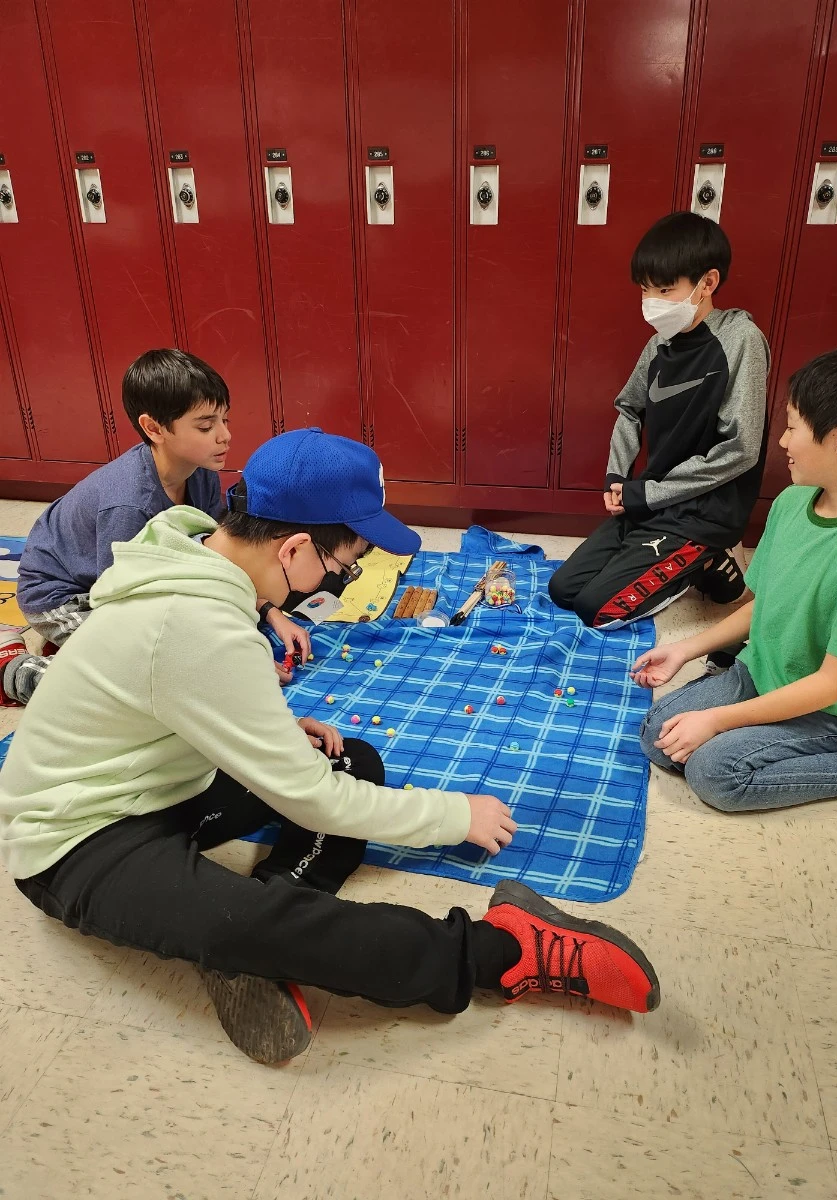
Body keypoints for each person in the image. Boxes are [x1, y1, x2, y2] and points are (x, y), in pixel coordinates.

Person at [0, 428, 660, 1065]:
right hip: (74, 839)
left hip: (162, 780)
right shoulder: (195, 623)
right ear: (293, 550)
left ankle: (266, 932)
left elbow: (165, 692)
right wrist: (453, 814)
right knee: (250, 918)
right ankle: (504, 950)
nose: (337, 584)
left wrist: (273, 730)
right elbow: (312, 798)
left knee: (349, 760)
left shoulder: (200, 558)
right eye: (342, 568)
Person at [633, 344, 837, 811]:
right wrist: (684, 648)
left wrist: (717, 720)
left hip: (830, 710)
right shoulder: (792, 503)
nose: (782, 442)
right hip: (760, 672)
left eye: (793, 427)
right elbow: (765, 605)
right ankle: (735, 718)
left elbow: (831, 685)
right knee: (659, 737)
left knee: (714, 774)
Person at [0, 348, 306, 707]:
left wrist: (269, 612)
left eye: (225, 420)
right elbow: (127, 610)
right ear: (154, 428)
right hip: (63, 596)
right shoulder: (128, 504)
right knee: (149, 681)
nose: (224, 436)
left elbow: (215, 562)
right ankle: (13, 670)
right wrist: (229, 663)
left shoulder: (202, 473)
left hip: (121, 584)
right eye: (206, 426)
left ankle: (73, 645)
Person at [549, 211, 769, 629]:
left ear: (708, 283)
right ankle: (699, 563)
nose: (652, 302)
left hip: (702, 511)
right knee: (563, 589)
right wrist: (617, 475)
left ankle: (708, 560)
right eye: (645, 290)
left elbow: (741, 448)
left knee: (597, 609)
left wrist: (648, 493)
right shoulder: (658, 345)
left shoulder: (741, 340)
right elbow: (629, 409)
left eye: (665, 290)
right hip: (653, 497)